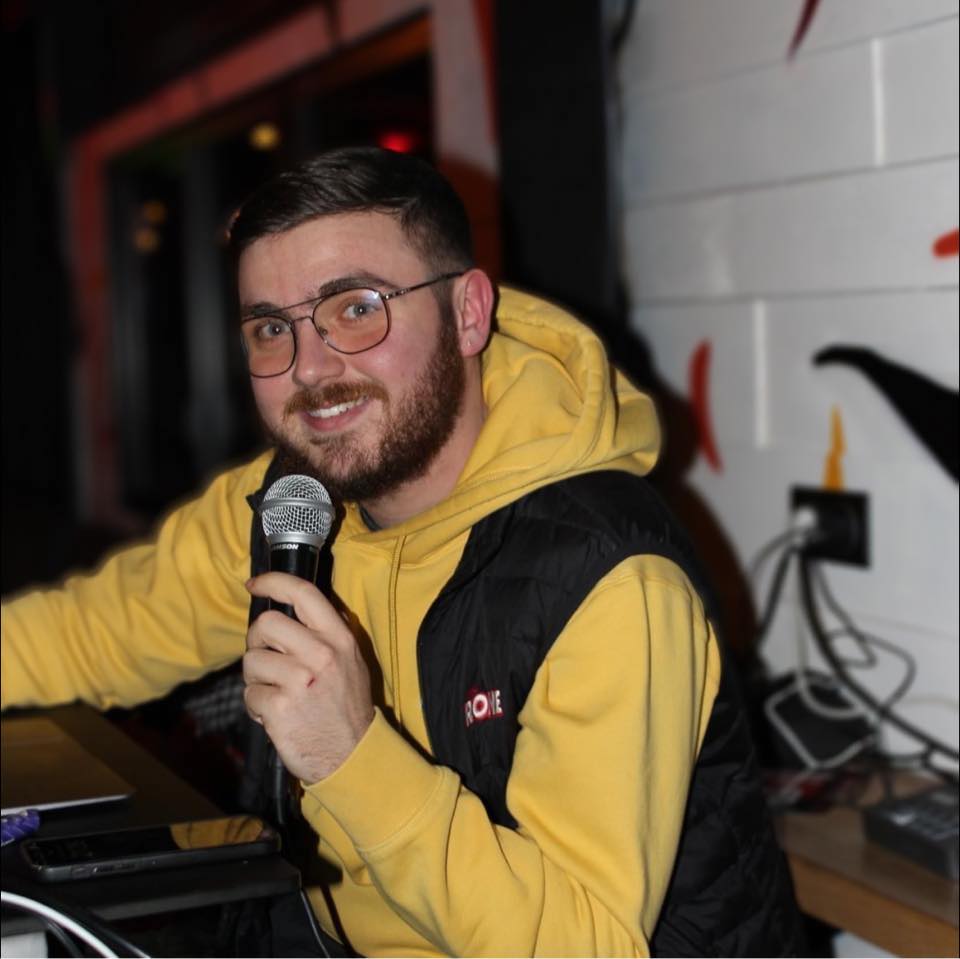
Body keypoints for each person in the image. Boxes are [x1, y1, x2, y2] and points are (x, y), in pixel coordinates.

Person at [1, 146, 803, 956]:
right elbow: (89, 633)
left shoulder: (608, 576)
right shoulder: (291, 501)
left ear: (468, 313)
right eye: (273, 328)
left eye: (356, 307)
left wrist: (351, 756)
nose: (312, 369)